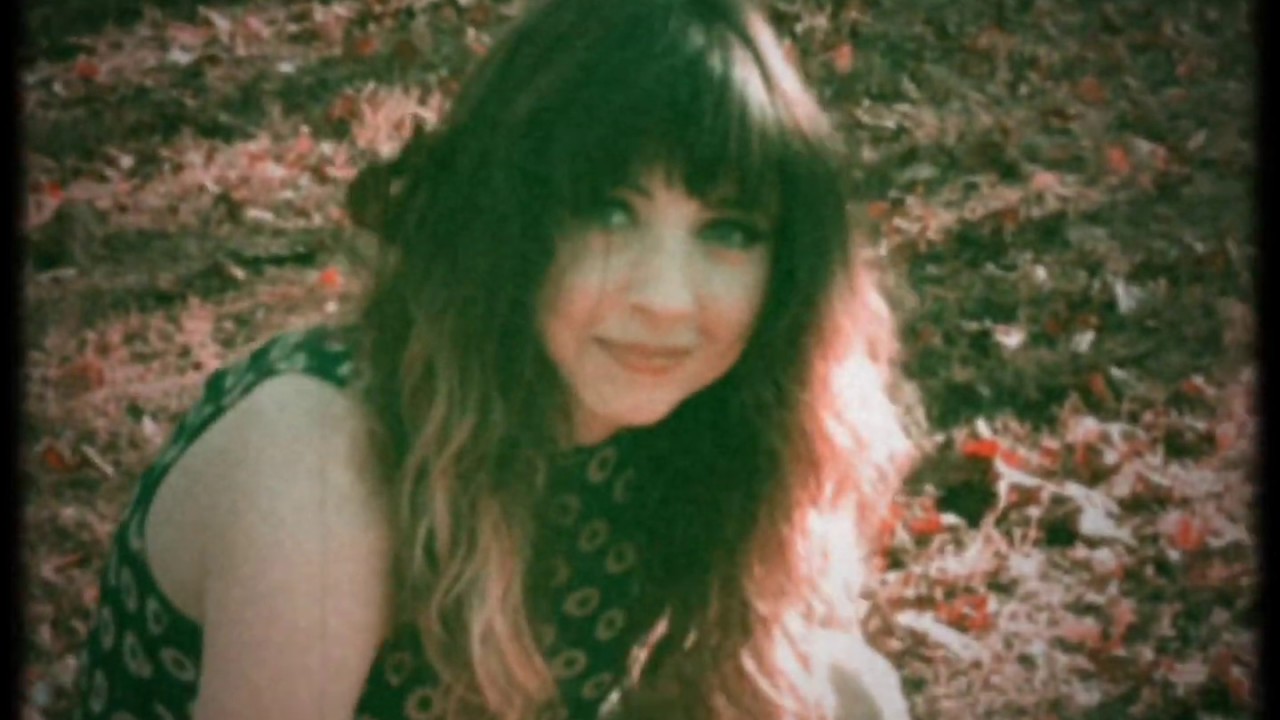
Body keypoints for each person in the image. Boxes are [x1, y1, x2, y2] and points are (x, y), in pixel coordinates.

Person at [73, 0, 919, 716]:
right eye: (608, 212)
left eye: (728, 231)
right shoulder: (320, 462)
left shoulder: (716, 427)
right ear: (505, 222)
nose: (667, 299)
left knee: (847, 691)